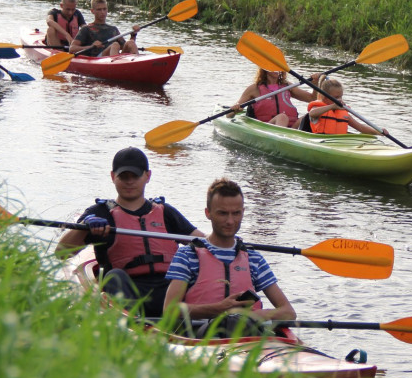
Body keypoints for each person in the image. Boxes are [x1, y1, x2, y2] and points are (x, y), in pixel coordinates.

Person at [55, 147, 205, 317]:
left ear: (147, 176)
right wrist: (83, 227)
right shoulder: (99, 212)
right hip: (129, 288)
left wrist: (229, 241)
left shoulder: (165, 212)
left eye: (135, 176)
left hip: (169, 288)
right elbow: (61, 252)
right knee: (115, 276)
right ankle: (134, 323)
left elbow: (204, 243)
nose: (129, 182)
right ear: (113, 177)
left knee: (195, 272)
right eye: (123, 177)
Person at [162, 178, 296, 326]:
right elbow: (169, 309)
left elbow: (288, 312)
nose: (230, 221)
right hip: (199, 336)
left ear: (243, 212)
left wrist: (251, 316)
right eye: (223, 213)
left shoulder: (254, 258)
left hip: (245, 336)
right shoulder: (187, 256)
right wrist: (219, 309)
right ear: (208, 213)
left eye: (236, 213)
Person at [232, 68, 320, 129]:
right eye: (274, 67)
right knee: (282, 117)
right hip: (265, 128)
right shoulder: (254, 88)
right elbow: (229, 114)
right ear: (265, 69)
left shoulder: (287, 86)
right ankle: (281, 140)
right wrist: (236, 108)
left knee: (308, 116)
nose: (277, 69)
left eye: (278, 66)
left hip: (291, 129)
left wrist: (315, 84)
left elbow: (312, 99)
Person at [305, 76, 388, 136]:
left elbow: (360, 127)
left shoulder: (342, 112)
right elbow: (312, 113)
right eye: (336, 97)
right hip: (320, 141)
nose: (340, 99)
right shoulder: (318, 108)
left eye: (341, 96)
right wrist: (331, 107)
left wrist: (378, 132)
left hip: (339, 143)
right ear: (325, 97)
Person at [68, 0, 139, 57]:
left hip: (113, 58)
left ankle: (138, 64)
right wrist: (91, 46)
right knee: (115, 45)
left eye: (104, 9)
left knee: (131, 43)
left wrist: (133, 35)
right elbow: (72, 48)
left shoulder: (113, 29)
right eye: (99, 9)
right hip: (97, 60)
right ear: (92, 11)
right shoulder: (86, 29)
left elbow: (125, 47)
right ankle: (114, 68)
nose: (102, 12)